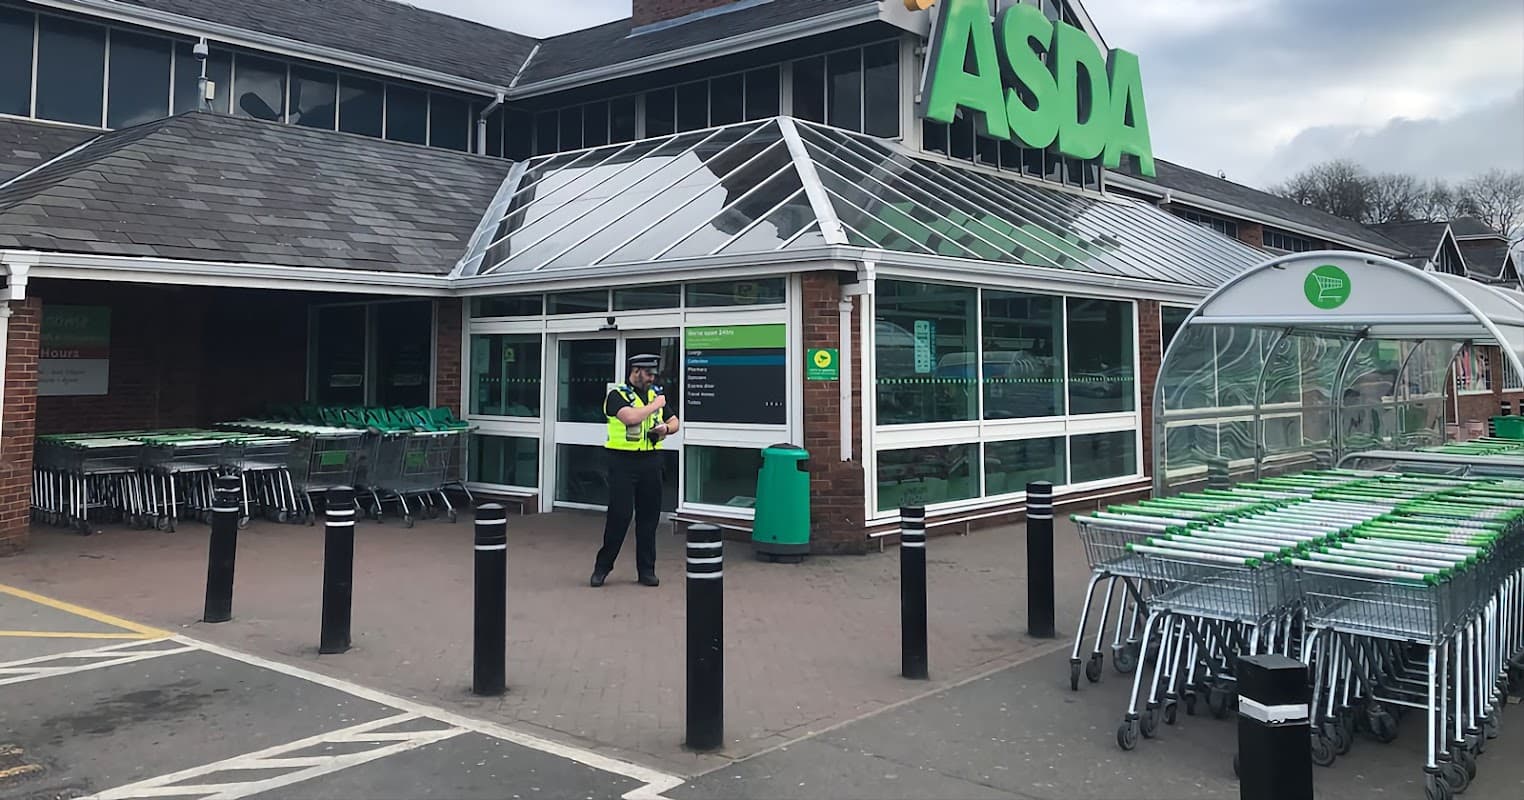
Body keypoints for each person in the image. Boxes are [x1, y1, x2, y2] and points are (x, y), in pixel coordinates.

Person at [591, 353, 680, 588]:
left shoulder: (654, 395)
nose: (652, 378)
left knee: (648, 519)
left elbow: (675, 422)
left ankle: (646, 571)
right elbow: (629, 418)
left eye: (654, 374)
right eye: (648, 373)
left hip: (651, 461)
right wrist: (654, 407)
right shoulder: (617, 395)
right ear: (636, 371)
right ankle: (602, 567)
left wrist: (665, 429)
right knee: (619, 517)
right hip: (622, 463)